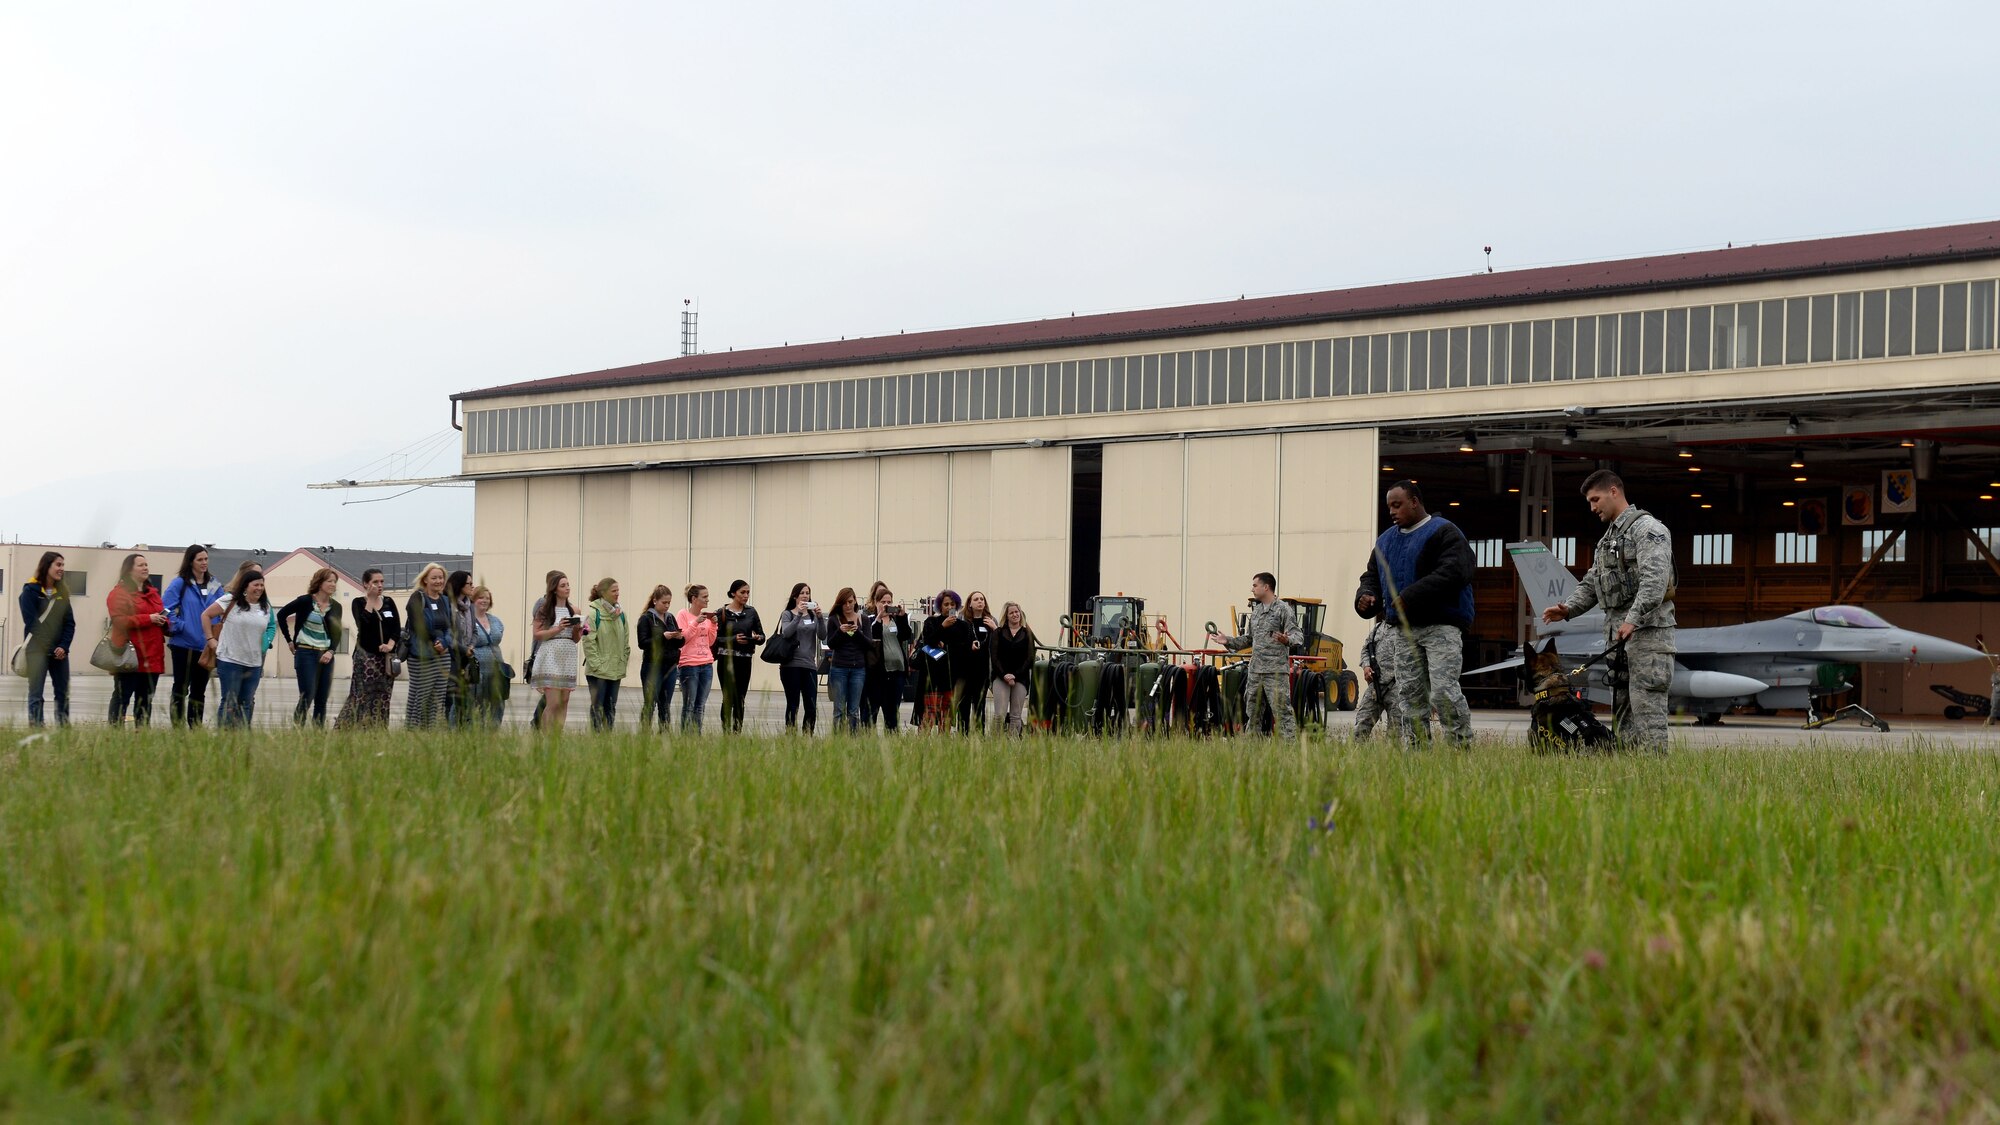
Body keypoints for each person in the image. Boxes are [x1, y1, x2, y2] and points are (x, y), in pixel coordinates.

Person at [1543, 469, 1677, 752]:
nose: (1592, 507)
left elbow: (1655, 583)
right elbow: (1593, 581)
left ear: (1614, 491)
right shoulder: (1608, 540)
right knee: (1623, 713)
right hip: (1619, 640)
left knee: (1647, 712)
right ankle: (1629, 775)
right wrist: (1568, 608)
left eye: (1595, 499)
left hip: (1648, 638)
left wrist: (1632, 620)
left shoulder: (1649, 530)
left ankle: (1655, 777)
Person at [1356, 480, 1476, 748]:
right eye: (1389, 507)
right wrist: (1365, 597)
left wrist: (1409, 597)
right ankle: (1417, 752)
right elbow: (1372, 576)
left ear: (1415, 502)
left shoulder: (1444, 532)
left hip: (1441, 626)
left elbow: (1457, 571)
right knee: (1409, 695)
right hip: (1403, 631)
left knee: (1443, 691)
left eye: (1397, 505)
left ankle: (1460, 749)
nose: (1392, 511)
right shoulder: (1385, 541)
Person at [1212, 572, 1298, 740]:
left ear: (1266, 587)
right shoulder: (1257, 612)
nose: (1252, 589)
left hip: (1275, 672)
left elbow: (1297, 636)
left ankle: (1290, 751)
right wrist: (1227, 641)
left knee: (1282, 712)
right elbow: (1249, 639)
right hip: (1256, 671)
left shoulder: (1283, 610)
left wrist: (1286, 639)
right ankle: (1253, 748)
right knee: (1253, 712)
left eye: (1255, 585)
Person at [202, 568, 272, 729]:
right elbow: (205, 615)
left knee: (245, 703)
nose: (260, 588)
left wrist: (266, 641)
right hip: (230, 660)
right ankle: (225, 737)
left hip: (254, 663)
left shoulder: (265, 607)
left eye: (262, 585)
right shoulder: (230, 600)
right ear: (246, 586)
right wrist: (210, 639)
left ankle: (241, 739)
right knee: (229, 702)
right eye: (256, 585)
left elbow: (268, 628)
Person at [106, 553, 169, 728]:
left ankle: (142, 736)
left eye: (146, 564)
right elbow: (119, 620)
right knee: (121, 698)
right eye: (140, 565)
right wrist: (149, 618)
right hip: (130, 656)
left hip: (153, 655)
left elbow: (160, 614)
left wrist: (166, 622)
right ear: (129, 570)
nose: (145, 568)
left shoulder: (153, 593)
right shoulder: (118, 594)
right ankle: (114, 734)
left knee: (145, 702)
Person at [276, 567, 345, 727]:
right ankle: (298, 729)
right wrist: (289, 640)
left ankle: (317, 734)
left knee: (322, 698)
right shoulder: (305, 601)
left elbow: (337, 633)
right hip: (306, 653)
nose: (333, 584)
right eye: (329, 581)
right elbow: (281, 615)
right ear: (319, 582)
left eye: (335, 582)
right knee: (307, 694)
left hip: (326, 655)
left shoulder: (336, 607)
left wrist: (331, 650)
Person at [162, 544, 222, 727]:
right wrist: (182, 626)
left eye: (206, 559)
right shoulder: (180, 583)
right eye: (200, 559)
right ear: (191, 561)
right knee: (180, 688)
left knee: (199, 691)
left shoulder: (215, 585)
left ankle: (195, 727)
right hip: (183, 645)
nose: (204, 563)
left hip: (205, 646)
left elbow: (223, 609)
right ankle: (178, 728)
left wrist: (216, 634)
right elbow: (165, 610)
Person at [336, 568, 401, 729]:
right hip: (366, 657)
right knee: (362, 695)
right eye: (375, 582)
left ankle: (378, 730)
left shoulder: (389, 602)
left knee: (383, 696)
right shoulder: (358, 603)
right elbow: (363, 625)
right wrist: (371, 600)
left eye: (382, 582)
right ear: (365, 584)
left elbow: (396, 628)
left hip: (385, 658)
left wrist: (391, 645)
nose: (379, 585)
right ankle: (353, 728)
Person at [18, 551, 74, 728]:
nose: (61, 569)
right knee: (36, 693)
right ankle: (36, 728)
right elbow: (33, 624)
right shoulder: (30, 591)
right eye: (58, 565)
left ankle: (64, 730)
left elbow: (70, 623)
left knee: (63, 693)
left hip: (60, 653)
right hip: (37, 651)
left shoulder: (62, 593)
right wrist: (51, 648)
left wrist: (63, 647)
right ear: (47, 566)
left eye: (63, 565)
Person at [530, 571, 586, 732]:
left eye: (568, 584)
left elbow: (575, 639)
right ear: (554, 589)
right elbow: (537, 634)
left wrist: (578, 629)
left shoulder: (574, 609)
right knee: (553, 702)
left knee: (564, 700)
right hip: (551, 654)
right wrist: (558, 628)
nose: (567, 588)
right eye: (563, 585)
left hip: (567, 655)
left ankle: (557, 735)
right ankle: (546, 735)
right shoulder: (545, 609)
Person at [403, 563, 457, 730]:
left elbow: (450, 626)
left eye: (441, 577)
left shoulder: (445, 600)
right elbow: (418, 623)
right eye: (434, 578)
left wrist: (445, 642)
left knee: (438, 697)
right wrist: (436, 640)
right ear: (425, 579)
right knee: (420, 696)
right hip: (422, 654)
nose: (438, 581)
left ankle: (431, 731)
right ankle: (413, 731)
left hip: (442, 654)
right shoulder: (417, 598)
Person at [715, 580, 765, 733]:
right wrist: (732, 639)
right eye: (742, 592)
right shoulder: (721, 612)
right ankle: (726, 732)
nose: (746, 595)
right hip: (726, 659)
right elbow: (715, 638)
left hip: (745, 659)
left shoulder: (751, 612)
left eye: (748, 592)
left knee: (740, 698)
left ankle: (737, 732)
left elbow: (762, 636)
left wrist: (757, 638)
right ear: (733, 593)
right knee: (728, 697)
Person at [1350, 615, 1410, 740]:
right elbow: (1366, 649)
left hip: (1396, 687)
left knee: (1395, 733)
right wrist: (1366, 666)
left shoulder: (1408, 629)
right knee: (1361, 725)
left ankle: (1391, 758)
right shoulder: (1378, 628)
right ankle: (1355, 756)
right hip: (1375, 685)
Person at [581, 577, 630, 732]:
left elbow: (626, 642)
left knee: (611, 706)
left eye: (618, 590)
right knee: (598, 706)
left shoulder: (621, 615)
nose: (617, 594)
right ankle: (596, 737)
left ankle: (607, 738)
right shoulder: (593, 614)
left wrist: (623, 660)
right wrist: (597, 665)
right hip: (598, 672)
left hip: (615, 670)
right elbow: (588, 641)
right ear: (603, 593)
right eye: (613, 591)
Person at [918, 590, 970, 731]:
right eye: (945, 604)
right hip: (934, 676)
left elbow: (964, 648)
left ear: (957, 606)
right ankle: (921, 745)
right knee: (928, 714)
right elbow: (928, 641)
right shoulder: (932, 622)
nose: (949, 607)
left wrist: (945, 643)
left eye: (952, 604)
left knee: (946, 716)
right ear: (940, 606)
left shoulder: (963, 626)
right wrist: (942, 627)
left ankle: (943, 746)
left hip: (952, 676)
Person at [866, 584, 915, 731]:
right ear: (876, 603)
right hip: (879, 672)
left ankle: (892, 739)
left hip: (897, 671)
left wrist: (903, 617)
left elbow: (907, 635)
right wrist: (880, 618)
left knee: (892, 713)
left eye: (889, 602)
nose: (886, 605)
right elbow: (872, 636)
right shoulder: (871, 619)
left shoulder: (896, 620)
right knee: (872, 710)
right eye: (883, 602)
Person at [775, 582, 822, 733]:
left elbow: (822, 635)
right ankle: (790, 735)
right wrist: (799, 614)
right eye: (802, 593)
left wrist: (820, 618)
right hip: (791, 665)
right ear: (795, 596)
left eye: (807, 593)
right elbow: (787, 632)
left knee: (811, 705)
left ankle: (808, 736)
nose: (805, 595)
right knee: (793, 704)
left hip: (809, 665)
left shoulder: (813, 615)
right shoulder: (788, 613)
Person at [635, 585, 682, 731]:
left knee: (665, 704)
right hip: (652, 666)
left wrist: (679, 637)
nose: (667, 606)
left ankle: (664, 734)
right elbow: (643, 643)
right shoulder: (646, 618)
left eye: (669, 602)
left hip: (670, 665)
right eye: (664, 602)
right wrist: (662, 636)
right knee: (650, 702)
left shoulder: (670, 618)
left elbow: (679, 643)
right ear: (655, 601)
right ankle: (644, 734)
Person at [823, 587, 869, 732]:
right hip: (839, 667)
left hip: (858, 669)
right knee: (839, 709)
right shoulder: (833, 620)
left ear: (855, 601)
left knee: (854, 710)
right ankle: (838, 740)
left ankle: (853, 739)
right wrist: (840, 632)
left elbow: (868, 644)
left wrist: (857, 632)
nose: (848, 606)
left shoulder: (864, 619)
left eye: (850, 602)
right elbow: (830, 643)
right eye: (844, 603)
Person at [677, 584, 720, 730]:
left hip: (706, 663)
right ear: (694, 599)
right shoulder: (683, 614)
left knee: (700, 706)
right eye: (705, 596)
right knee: (689, 705)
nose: (708, 599)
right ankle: (685, 738)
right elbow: (683, 638)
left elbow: (711, 641)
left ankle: (696, 737)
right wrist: (696, 622)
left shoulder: (706, 617)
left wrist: (713, 625)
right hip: (689, 664)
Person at [990, 601, 1036, 736]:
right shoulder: (998, 633)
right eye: (1012, 613)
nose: (1015, 615)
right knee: (1000, 714)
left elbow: (1030, 658)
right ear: (1006, 615)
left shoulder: (1027, 633)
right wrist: (1004, 675)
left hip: (1020, 678)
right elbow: (994, 657)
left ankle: (1013, 745)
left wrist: (1015, 675)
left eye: (1017, 612)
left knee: (1016, 715)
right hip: (1001, 677)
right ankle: (996, 744)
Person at [959, 591, 1000, 733]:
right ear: (970, 603)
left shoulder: (990, 620)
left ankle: (979, 737)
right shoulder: (963, 620)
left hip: (982, 671)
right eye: (976, 599)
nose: (980, 601)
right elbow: (956, 642)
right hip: (965, 670)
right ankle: (963, 735)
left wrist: (995, 629)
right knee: (963, 706)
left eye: (982, 599)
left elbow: (1000, 644)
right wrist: (968, 646)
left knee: (980, 706)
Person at [525, 570, 560, 729]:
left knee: (554, 692)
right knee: (549, 692)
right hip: (543, 649)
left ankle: (540, 721)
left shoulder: (563, 604)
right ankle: (537, 722)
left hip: (557, 652)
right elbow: (539, 627)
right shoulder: (542, 603)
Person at [469, 585, 506, 727]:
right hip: (477, 668)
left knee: (498, 700)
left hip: (496, 666)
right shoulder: (469, 620)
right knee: (477, 700)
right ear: (473, 600)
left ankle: (493, 729)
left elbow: (499, 635)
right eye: (480, 598)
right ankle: (475, 729)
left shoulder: (495, 620)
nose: (484, 600)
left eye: (487, 598)